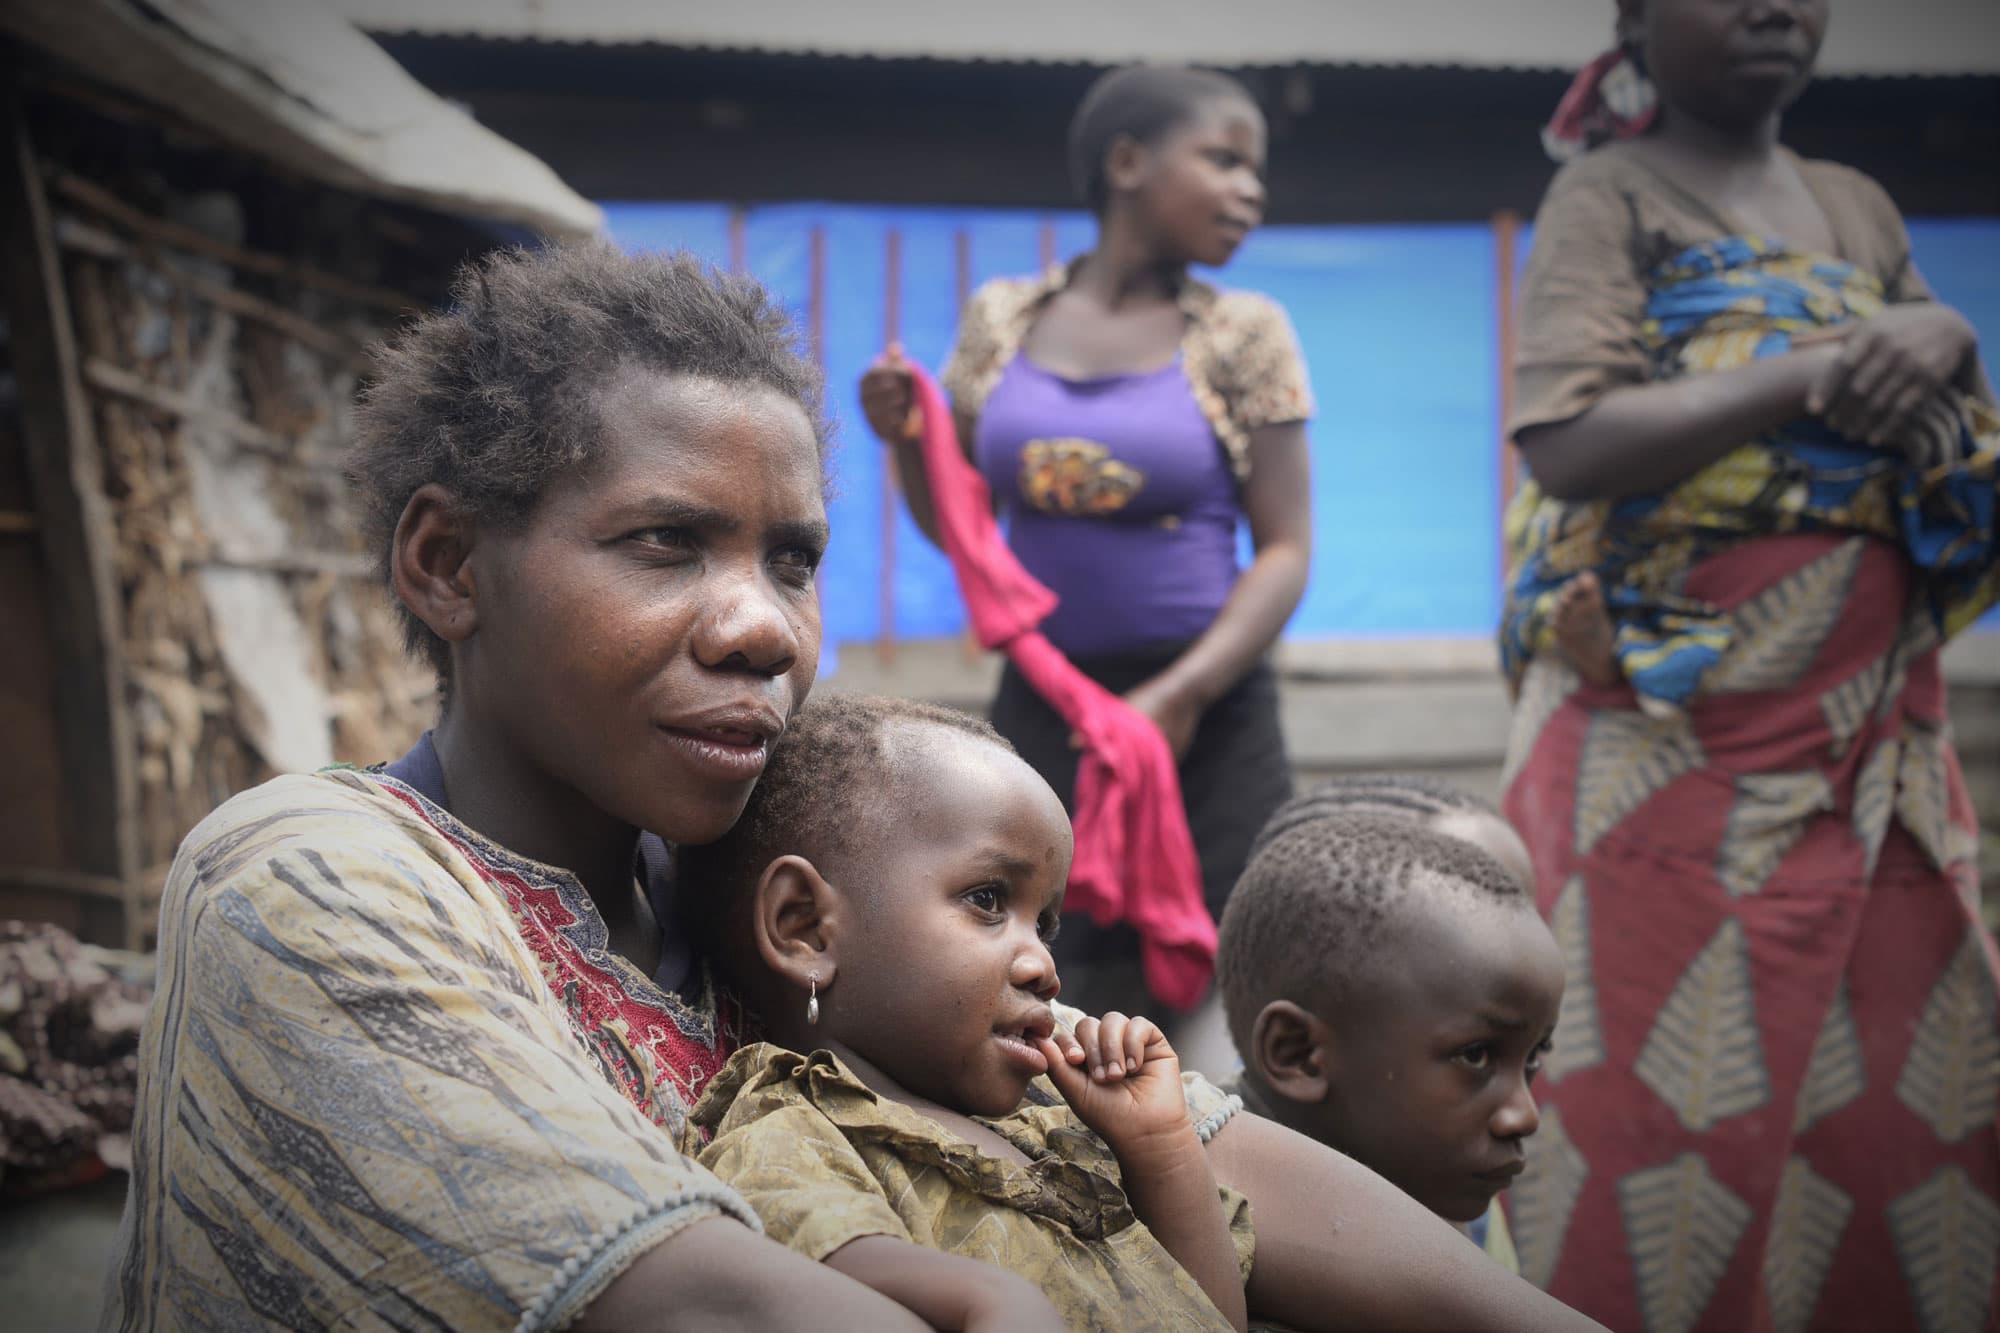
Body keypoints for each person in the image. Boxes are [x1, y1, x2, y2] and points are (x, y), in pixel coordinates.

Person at [104, 242, 1605, 1333]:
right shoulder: (309, 877)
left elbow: (1198, 1141)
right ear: (447, 566)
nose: (765, 625)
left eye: (794, 559)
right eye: (665, 543)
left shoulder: (738, 882)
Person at [1498, 2, 2000, 1328]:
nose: (1775, 6)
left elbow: (1940, 380)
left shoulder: (1856, 203)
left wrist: (1945, 339)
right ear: (1638, 23)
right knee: (1639, 1098)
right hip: (1668, 754)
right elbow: (1567, 440)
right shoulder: (1607, 195)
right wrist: (1824, 369)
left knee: (1897, 1083)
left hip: (1870, 739)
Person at [859, 65, 1313, 1025]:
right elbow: (966, 532)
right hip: (1049, 702)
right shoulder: (1005, 320)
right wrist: (908, 441)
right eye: (1225, 159)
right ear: (1127, 162)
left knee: (1241, 956)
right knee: (1036, 941)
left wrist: (1179, 698)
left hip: (1208, 715)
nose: (1252, 191)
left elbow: (1285, 551)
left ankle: (1219, 1161)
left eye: (1256, 169)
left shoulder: (1245, 332)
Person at [680, 693, 1252, 1330]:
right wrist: (987, 1299)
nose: (1042, 966)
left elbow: (1209, 1318)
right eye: (988, 900)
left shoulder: (1052, 1131)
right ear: (805, 928)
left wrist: (1162, 1149)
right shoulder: (791, 1140)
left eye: (1047, 926)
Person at [1217, 802, 1564, 1276]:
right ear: (1298, 1054)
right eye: (1476, 1055)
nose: (1524, 1116)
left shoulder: (1428, 1201)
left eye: (1531, 1060)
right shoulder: (1212, 1256)